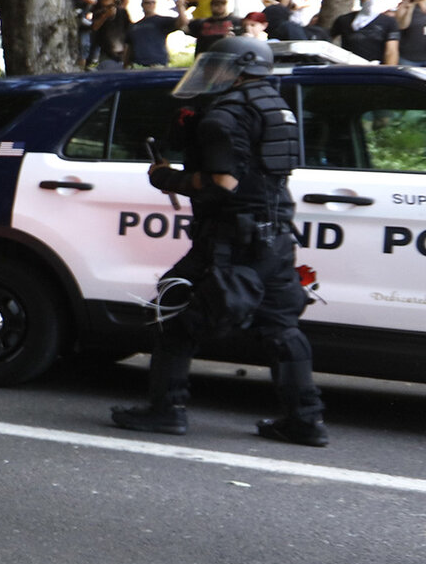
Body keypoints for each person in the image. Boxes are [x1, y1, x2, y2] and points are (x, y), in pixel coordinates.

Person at [111, 36, 326, 447]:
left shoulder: (223, 117)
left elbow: (222, 183)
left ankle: (165, 411)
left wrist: (166, 179)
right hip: (276, 237)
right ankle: (305, 420)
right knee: (281, 328)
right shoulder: (277, 107)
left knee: (173, 312)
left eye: (219, 67)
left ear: (241, 68)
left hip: (230, 241)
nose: (212, 75)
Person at [330, 0, 400, 63]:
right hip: (347, 65)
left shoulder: (389, 22)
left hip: (374, 67)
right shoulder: (344, 20)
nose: (373, 1)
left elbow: (391, 51)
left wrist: (389, 72)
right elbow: (329, 39)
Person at [128, 0, 179, 68]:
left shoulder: (162, 21)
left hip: (158, 64)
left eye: (153, 2)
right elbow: (129, 47)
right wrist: (126, 65)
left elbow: (181, 23)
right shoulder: (134, 26)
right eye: (147, 3)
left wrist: (180, 6)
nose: (150, 5)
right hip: (138, 66)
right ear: (142, 5)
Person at [89, 0, 132, 70]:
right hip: (106, 52)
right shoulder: (98, 13)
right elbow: (94, 27)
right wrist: (105, 16)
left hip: (123, 51)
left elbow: (129, 27)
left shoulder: (122, 12)